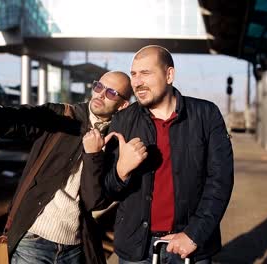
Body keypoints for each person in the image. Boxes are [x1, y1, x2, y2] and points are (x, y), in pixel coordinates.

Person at [0, 71, 132, 264]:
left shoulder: (116, 141)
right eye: (99, 87)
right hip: (34, 241)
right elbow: (14, 120)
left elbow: (95, 201)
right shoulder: (62, 116)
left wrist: (94, 155)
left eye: (111, 93)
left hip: (75, 247)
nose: (100, 94)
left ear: (123, 104)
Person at [99, 45, 234, 264]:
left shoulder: (206, 115)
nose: (137, 82)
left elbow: (220, 181)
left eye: (146, 73)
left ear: (169, 74)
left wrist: (194, 235)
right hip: (136, 248)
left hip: (188, 246)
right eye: (133, 74)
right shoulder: (123, 120)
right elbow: (106, 190)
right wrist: (121, 170)